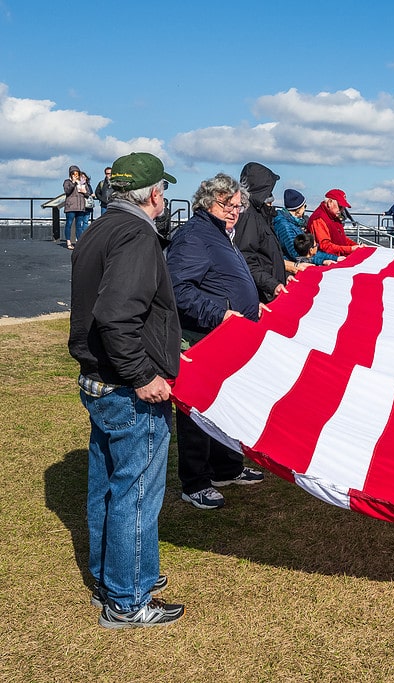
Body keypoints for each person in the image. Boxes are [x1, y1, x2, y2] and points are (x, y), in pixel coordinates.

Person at [68, 151, 185, 629]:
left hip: (98, 381)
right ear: (153, 195)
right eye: (163, 191)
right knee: (136, 492)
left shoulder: (99, 226)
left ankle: (114, 574)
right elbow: (117, 315)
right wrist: (143, 376)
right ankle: (127, 599)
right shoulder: (137, 234)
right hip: (125, 387)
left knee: (108, 485)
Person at [166, 173, 265, 510]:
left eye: (238, 206)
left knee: (226, 405)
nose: (234, 211)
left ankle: (226, 467)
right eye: (227, 204)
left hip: (228, 336)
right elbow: (178, 288)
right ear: (208, 201)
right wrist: (220, 314)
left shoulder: (221, 233)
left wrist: (253, 304)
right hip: (202, 337)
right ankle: (195, 482)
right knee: (198, 409)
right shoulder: (195, 235)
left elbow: (223, 279)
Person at [234, 162, 291, 303]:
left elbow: (267, 257)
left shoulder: (259, 215)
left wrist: (285, 275)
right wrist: (272, 284)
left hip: (269, 289)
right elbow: (245, 258)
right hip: (263, 293)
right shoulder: (249, 217)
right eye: (269, 191)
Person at [273, 189, 337, 267]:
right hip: (292, 268)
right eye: (304, 206)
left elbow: (307, 250)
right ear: (299, 209)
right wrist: (323, 261)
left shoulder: (292, 223)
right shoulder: (284, 226)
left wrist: (335, 258)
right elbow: (297, 255)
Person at [308, 189, 363, 258]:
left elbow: (341, 237)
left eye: (343, 207)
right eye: (340, 206)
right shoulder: (319, 219)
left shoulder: (334, 216)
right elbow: (325, 247)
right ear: (329, 203)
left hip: (339, 258)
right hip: (328, 261)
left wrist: (356, 246)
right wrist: (350, 249)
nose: (342, 210)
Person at [63, 165, 90, 249]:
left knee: (79, 225)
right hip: (71, 206)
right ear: (70, 174)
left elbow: (88, 193)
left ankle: (79, 241)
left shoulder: (82, 182)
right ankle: (68, 242)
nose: (76, 175)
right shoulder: (67, 182)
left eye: (77, 173)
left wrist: (84, 191)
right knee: (69, 223)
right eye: (74, 173)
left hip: (80, 206)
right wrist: (73, 183)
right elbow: (67, 191)